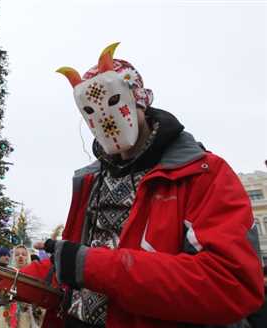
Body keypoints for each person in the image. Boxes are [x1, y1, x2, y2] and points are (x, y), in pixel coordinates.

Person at [24, 42, 264, 327]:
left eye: (113, 102)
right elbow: (76, 263)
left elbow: (230, 284)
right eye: (90, 111)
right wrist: (17, 280)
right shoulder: (90, 180)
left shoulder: (204, 174)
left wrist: (90, 265)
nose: (104, 118)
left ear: (140, 99)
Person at [0, 245, 41, 328]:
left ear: (28, 257)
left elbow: (40, 310)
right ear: (13, 258)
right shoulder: (4, 275)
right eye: (17, 254)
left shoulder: (35, 282)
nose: (20, 256)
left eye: (24, 254)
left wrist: (35, 309)